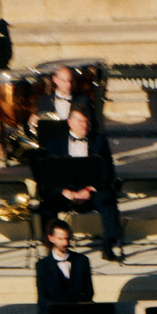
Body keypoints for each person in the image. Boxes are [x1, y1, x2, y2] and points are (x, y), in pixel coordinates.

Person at [40, 110, 122, 261]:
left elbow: (108, 172)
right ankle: (51, 246)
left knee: (108, 199)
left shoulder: (99, 141)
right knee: (47, 202)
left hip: (90, 191)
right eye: (80, 121)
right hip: (66, 192)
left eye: (87, 122)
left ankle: (109, 245)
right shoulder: (56, 143)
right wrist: (65, 191)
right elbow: (49, 175)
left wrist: (89, 190)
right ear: (70, 122)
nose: (84, 125)